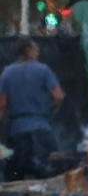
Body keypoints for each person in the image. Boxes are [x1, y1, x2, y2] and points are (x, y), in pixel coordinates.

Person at [0, 37, 64, 180]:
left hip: (17, 133)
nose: (38, 53)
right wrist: (52, 109)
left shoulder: (7, 73)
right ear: (28, 51)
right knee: (52, 176)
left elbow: (2, 105)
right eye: (36, 50)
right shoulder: (43, 70)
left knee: (14, 179)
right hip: (42, 130)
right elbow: (58, 96)